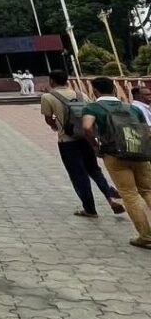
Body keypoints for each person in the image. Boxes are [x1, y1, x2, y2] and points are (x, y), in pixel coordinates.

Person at [40, 70, 124, 218]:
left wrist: (56, 127)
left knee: (79, 175)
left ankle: (90, 209)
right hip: (86, 139)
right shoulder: (82, 95)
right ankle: (111, 199)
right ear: (67, 80)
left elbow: (48, 119)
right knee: (94, 170)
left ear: (51, 81)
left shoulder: (48, 97)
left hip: (67, 141)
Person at [82, 76, 151, 249]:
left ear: (94, 90)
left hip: (114, 155)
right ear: (114, 89)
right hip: (139, 153)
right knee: (148, 190)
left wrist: (95, 146)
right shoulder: (131, 107)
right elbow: (146, 130)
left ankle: (146, 236)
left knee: (129, 194)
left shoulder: (92, 107)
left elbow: (87, 127)